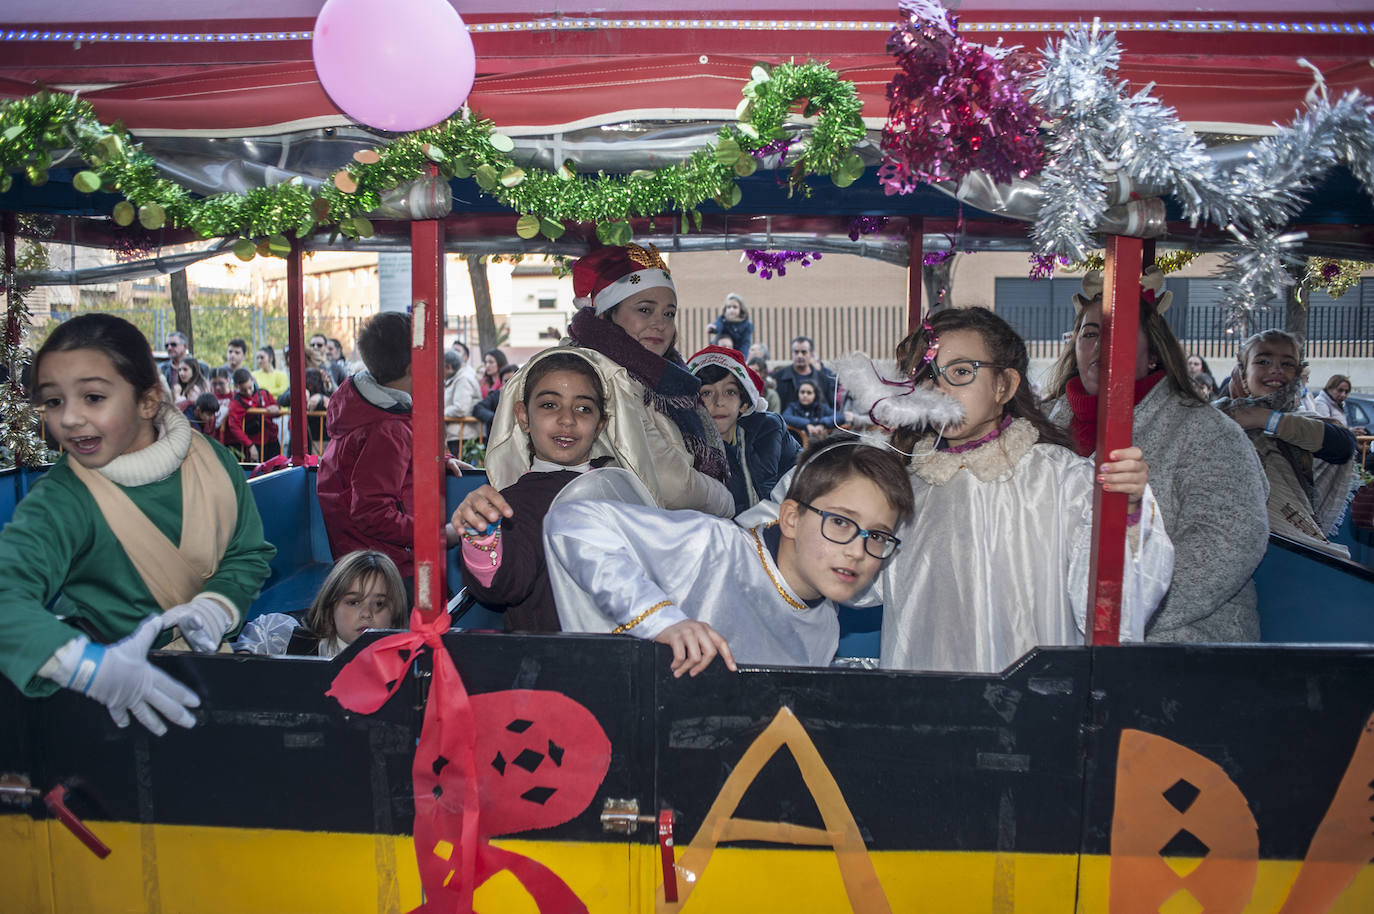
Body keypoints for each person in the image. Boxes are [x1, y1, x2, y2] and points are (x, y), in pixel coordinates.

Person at [827, 307, 1169, 673]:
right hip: (927, 688)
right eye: (929, 376)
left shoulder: (1060, 479)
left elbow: (1109, 606)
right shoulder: (904, 485)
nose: (940, 389)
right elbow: (862, 585)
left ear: (1004, 385)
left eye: (961, 372)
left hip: (1031, 695)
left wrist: (1126, 513)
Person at [0, 314, 273, 734]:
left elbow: (248, 551)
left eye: (92, 397)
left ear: (148, 402)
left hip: (210, 686)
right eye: (54, 401)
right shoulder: (61, 499)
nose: (69, 419)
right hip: (108, 713)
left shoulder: (214, 461)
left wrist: (218, 605)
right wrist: (89, 668)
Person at [545, 437, 915, 676]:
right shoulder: (713, 546)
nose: (857, 550)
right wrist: (661, 619)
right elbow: (572, 520)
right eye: (839, 522)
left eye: (879, 536)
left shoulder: (825, 627)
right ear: (790, 517)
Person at [1044, 267, 1268, 642]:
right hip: (1060, 638)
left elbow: (1227, 546)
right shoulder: (1045, 425)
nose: (1101, 346)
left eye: (1120, 335)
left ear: (1153, 355)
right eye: (1091, 334)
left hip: (1179, 646)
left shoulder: (1208, 432)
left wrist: (1118, 615)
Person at [486, 243, 734, 517]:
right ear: (607, 314)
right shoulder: (604, 375)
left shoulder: (668, 380)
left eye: (669, 313)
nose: (660, 323)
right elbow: (672, 486)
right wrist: (725, 498)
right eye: (644, 310)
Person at [450, 350, 614, 632]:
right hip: (551, 664)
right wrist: (482, 538)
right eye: (550, 405)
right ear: (523, 416)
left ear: (600, 423)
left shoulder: (618, 484)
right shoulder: (515, 503)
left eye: (583, 408)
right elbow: (501, 584)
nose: (567, 420)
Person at [317, 311, 461, 590]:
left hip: (373, 558)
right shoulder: (385, 429)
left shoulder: (372, 406)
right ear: (413, 366)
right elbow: (372, 512)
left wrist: (439, 458)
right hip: (391, 567)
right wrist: (439, 536)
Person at [1215, 330, 1357, 555]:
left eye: (1287, 364)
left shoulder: (1302, 421)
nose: (1275, 370)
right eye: (1263, 361)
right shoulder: (1217, 417)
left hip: (1292, 547)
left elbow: (1343, 446)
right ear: (1242, 372)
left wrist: (1264, 419)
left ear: (1298, 374)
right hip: (1227, 541)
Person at [689, 345, 800, 515]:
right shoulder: (686, 444)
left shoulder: (769, 429)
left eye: (730, 392)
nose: (719, 402)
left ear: (745, 403)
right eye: (707, 393)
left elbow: (806, 473)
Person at [234, 551, 406, 657]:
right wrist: (246, 656)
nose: (367, 613)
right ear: (331, 607)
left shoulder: (407, 664)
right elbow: (263, 630)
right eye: (353, 602)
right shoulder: (294, 642)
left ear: (395, 612)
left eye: (379, 604)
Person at [224, 367, 282, 462]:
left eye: (250, 388)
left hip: (272, 439)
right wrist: (250, 445)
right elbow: (234, 426)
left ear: (252, 380)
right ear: (237, 387)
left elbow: (277, 409)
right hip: (255, 442)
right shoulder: (236, 403)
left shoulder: (264, 393)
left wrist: (276, 409)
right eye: (243, 390)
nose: (248, 392)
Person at [772, 335, 837, 413]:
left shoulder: (824, 380)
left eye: (804, 352)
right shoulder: (778, 378)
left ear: (811, 354)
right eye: (796, 352)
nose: (799, 356)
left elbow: (832, 408)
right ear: (792, 353)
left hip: (817, 424)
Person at [443, 348, 482, 457]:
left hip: (465, 436)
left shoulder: (463, 379)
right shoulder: (455, 378)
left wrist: (441, 412)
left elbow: (460, 408)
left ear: (449, 367)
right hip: (457, 434)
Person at [473, 363, 518, 436]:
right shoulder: (496, 395)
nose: (509, 384)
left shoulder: (527, 395)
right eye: (506, 381)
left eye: (513, 380)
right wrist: (495, 418)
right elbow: (478, 408)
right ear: (501, 383)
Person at [705, 293, 754, 360]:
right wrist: (713, 328)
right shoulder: (723, 319)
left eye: (735, 307)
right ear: (725, 309)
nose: (731, 310)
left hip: (735, 351)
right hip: (720, 350)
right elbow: (718, 325)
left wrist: (742, 358)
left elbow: (745, 343)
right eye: (729, 307)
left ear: (741, 309)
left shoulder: (747, 325)